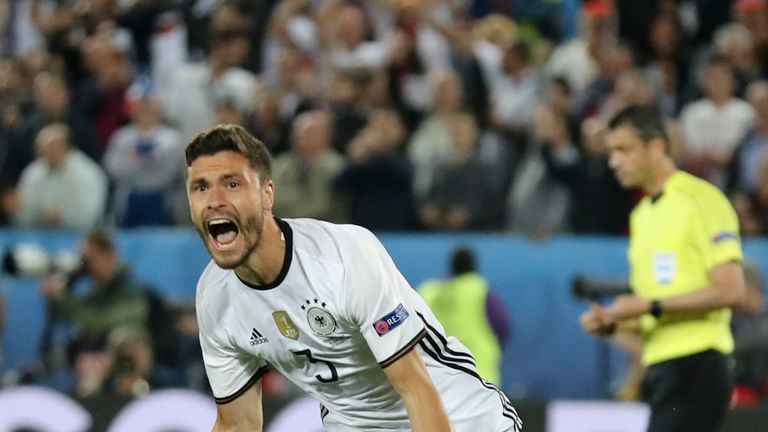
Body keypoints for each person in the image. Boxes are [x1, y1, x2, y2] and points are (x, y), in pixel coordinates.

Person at [185, 124, 521, 432]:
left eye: (232, 184)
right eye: (200, 187)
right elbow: (236, 425)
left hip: (461, 420)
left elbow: (415, 389)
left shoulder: (342, 256)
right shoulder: (215, 296)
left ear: (267, 194)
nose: (215, 201)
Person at [580, 104, 746, 432]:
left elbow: (732, 290)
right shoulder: (641, 216)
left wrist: (648, 305)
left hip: (698, 362)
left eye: (623, 150)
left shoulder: (701, 199)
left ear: (656, 147)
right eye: (611, 152)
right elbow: (654, 311)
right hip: (659, 368)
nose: (613, 162)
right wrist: (614, 323)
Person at [417, 247, 510, 385]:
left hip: (435, 377)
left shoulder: (428, 291)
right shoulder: (479, 290)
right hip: (478, 372)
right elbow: (502, 327)